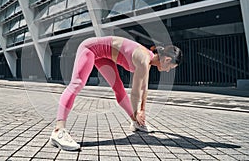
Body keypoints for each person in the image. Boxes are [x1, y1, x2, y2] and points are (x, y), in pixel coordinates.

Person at [49, 36, 182, 151]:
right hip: (90, 48)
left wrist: (142, 111)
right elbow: (135, 93)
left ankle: (136, 123)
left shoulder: (147, 61)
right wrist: (138, 111)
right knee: (77, 84)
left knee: (119, 89)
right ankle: (58, 131)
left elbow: (144, 89)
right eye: (171, 67)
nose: (168, 70)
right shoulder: (143, 59)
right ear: (167, 60)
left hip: (103, 56)